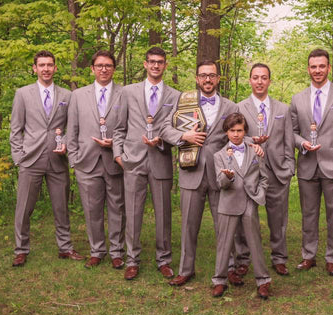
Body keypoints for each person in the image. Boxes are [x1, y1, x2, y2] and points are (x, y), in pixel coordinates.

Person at [160, 60, 240, 286]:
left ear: (218, 78)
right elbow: (164, 128)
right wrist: (183, 137)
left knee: (224, 225)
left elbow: (238, 138)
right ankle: (186, 270)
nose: (207, 79)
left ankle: (229, 268)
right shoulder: (183, 102)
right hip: (190, 172)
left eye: (212, 75)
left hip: (220, 175)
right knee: (188, 226)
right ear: (197, 79)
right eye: (203, 75)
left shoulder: (231, 107)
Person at [10, 50, 84, 267]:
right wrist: (18, 157)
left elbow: (73, 127)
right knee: (24, 208)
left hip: (57, 159)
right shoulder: (22, 94)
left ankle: (65, 247)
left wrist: (67, 145)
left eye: (49, 65)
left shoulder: (67, 96)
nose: (46, 69)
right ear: (34, 68)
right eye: (41, 65)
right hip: (30, 159)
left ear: (55, 68)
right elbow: (15, 129)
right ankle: (21, 249)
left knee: (61, 206)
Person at [113, 47, 180, 280]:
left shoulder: (175, 96)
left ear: (165, 65)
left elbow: (176, 129)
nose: (155, 66)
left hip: (160, 158)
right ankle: (132, 259)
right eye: (151, 62)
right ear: (145, 64)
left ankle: (164, 259)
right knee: (132, 212)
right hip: (133, 160)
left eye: (160, 62)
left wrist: (162, 140)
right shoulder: (128, 92)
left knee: (163, 213)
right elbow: (119, 127)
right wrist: (118, 155)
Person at [290, 48, 333, 276]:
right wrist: (302, 144)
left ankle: (332, 257)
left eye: (322, 66)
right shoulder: (297, 99)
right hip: (308, 165)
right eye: (313, 66)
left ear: (329, 68)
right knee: (308, 214)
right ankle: (309, 255)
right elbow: (291, 132)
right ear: (308, 69)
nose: (317, 70)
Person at [235, 63, 295, 277]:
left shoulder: (283, 109)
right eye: (255, 77)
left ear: (270, 81)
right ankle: (242, 258)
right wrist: (252, 141)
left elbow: (289, 140)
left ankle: (279, 258)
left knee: (278, 219)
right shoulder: (240, 108)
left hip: (278, 171)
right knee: (246, 218)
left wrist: (289, 168)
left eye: (264, 77)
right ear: (249, 80)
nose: (259, 81)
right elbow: (235, 138)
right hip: (250, 172)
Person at [67, 50, 125, 269]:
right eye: (99, 65)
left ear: (113, 69)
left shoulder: (124, 93)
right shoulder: (78, 95)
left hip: (114, 160)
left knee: (117, 208)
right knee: (92, 209)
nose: (104, 69)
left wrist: (118, 147)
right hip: (87, 161)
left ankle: (117, 251)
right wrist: (74, 159)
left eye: (108, 65)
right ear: (92, 69)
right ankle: (97, 250)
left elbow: (129, 127)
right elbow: (71, 129)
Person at [212, 112, 271, 299]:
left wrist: (259, 194)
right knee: (224, 244)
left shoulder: (255, 151)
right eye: (232, 131)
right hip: (228, 203)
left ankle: (263, 280)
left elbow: (264, 177)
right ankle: (219, 280)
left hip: (249, 202)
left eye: (239, 130)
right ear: (226, 132)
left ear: (245, 131)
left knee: (255, 242)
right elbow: (220, 183)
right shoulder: (219, 156)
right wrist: (227, 177)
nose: (236, 134)